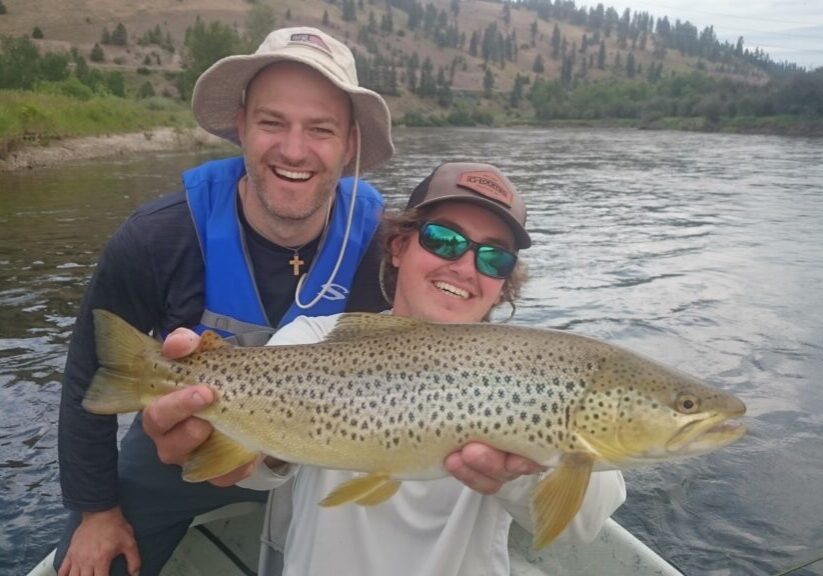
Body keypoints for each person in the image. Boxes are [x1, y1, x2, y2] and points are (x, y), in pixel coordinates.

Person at [152, 162, 627, 575]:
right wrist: (215, 434)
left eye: (493, 256)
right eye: (443, 239)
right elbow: (254, 470)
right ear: (399, 247)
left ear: (503, 285)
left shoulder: (534, 371)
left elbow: (586, 521)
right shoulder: (314, 341)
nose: (464, 266)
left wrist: (514, 469)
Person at [54, 26, 395, 576]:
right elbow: (87, 378)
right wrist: (96, 510)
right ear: (241, 126)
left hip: (330, 455)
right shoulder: (156, 238)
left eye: (321, 129)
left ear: (350, 143)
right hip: (181, 448)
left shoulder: (386, 248)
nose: (293, 149)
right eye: (271, 122)